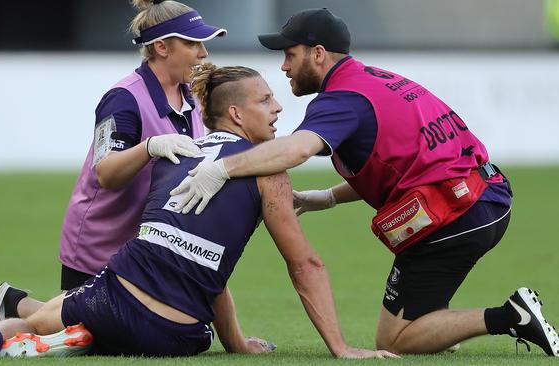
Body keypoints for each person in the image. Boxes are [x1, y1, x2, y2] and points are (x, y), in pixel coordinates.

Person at [0, 64, 397, 359]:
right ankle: (61, 335)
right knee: (161, 317)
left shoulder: (178, 151)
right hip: (176, 332)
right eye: (265, 100)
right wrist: (340, 348)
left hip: (114, 288)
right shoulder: (269, 170)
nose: (276, 108)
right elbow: (302, 263)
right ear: (235, 114)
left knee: (46, 317)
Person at [169, 8, 559, 357]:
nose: (285, 66)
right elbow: (403, 163)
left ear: (317, 53)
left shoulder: (341, 99)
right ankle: (436, 328)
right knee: (418, 316)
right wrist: (329, 197)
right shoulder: (379, 80)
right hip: (487, 198)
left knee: (394, 341)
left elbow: (298, 149)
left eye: (290, 54)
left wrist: (221, 168)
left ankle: (510, 316)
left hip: (456, 217)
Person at [0, 0, 229, 327]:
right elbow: (107, 172)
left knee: (134, 329)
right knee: (93, 334)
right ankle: (19, 308)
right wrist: (150, 147)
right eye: (192, 43)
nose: (203, 53)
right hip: (100, 244)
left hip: (146, 246)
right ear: (161, 47)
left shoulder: (191, 98)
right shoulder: (124, 98)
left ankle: (16, 305)